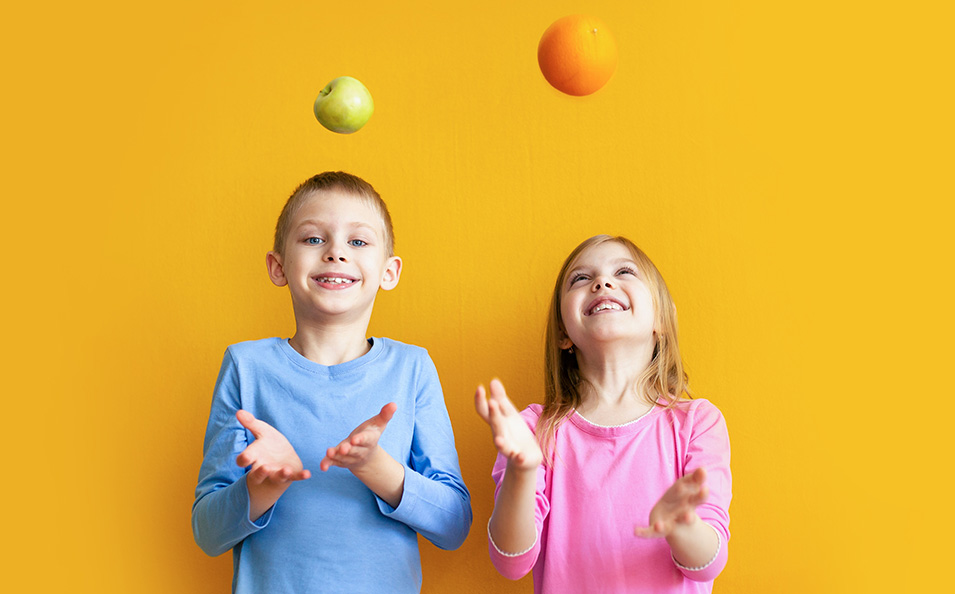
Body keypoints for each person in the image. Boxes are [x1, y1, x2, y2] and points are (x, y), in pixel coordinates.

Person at [193, 172, 472, 594]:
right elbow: (207, 533)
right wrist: (260, 486)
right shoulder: (245, 366)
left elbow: (454, 526)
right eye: (313, 239)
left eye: (358, 242)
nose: (336, 253)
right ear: (278, 266)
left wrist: (378, 470)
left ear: (389, 271)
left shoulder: (412, 368)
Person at [474, 235, 731, 593]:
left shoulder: (697, 423)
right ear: (564, 333)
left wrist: (680, 524)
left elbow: (708, 563)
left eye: (624, 271)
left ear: (661, 317)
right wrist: (522, 471)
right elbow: (511, 561)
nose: (602, 282)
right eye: (581, 278)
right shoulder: (532, 430)